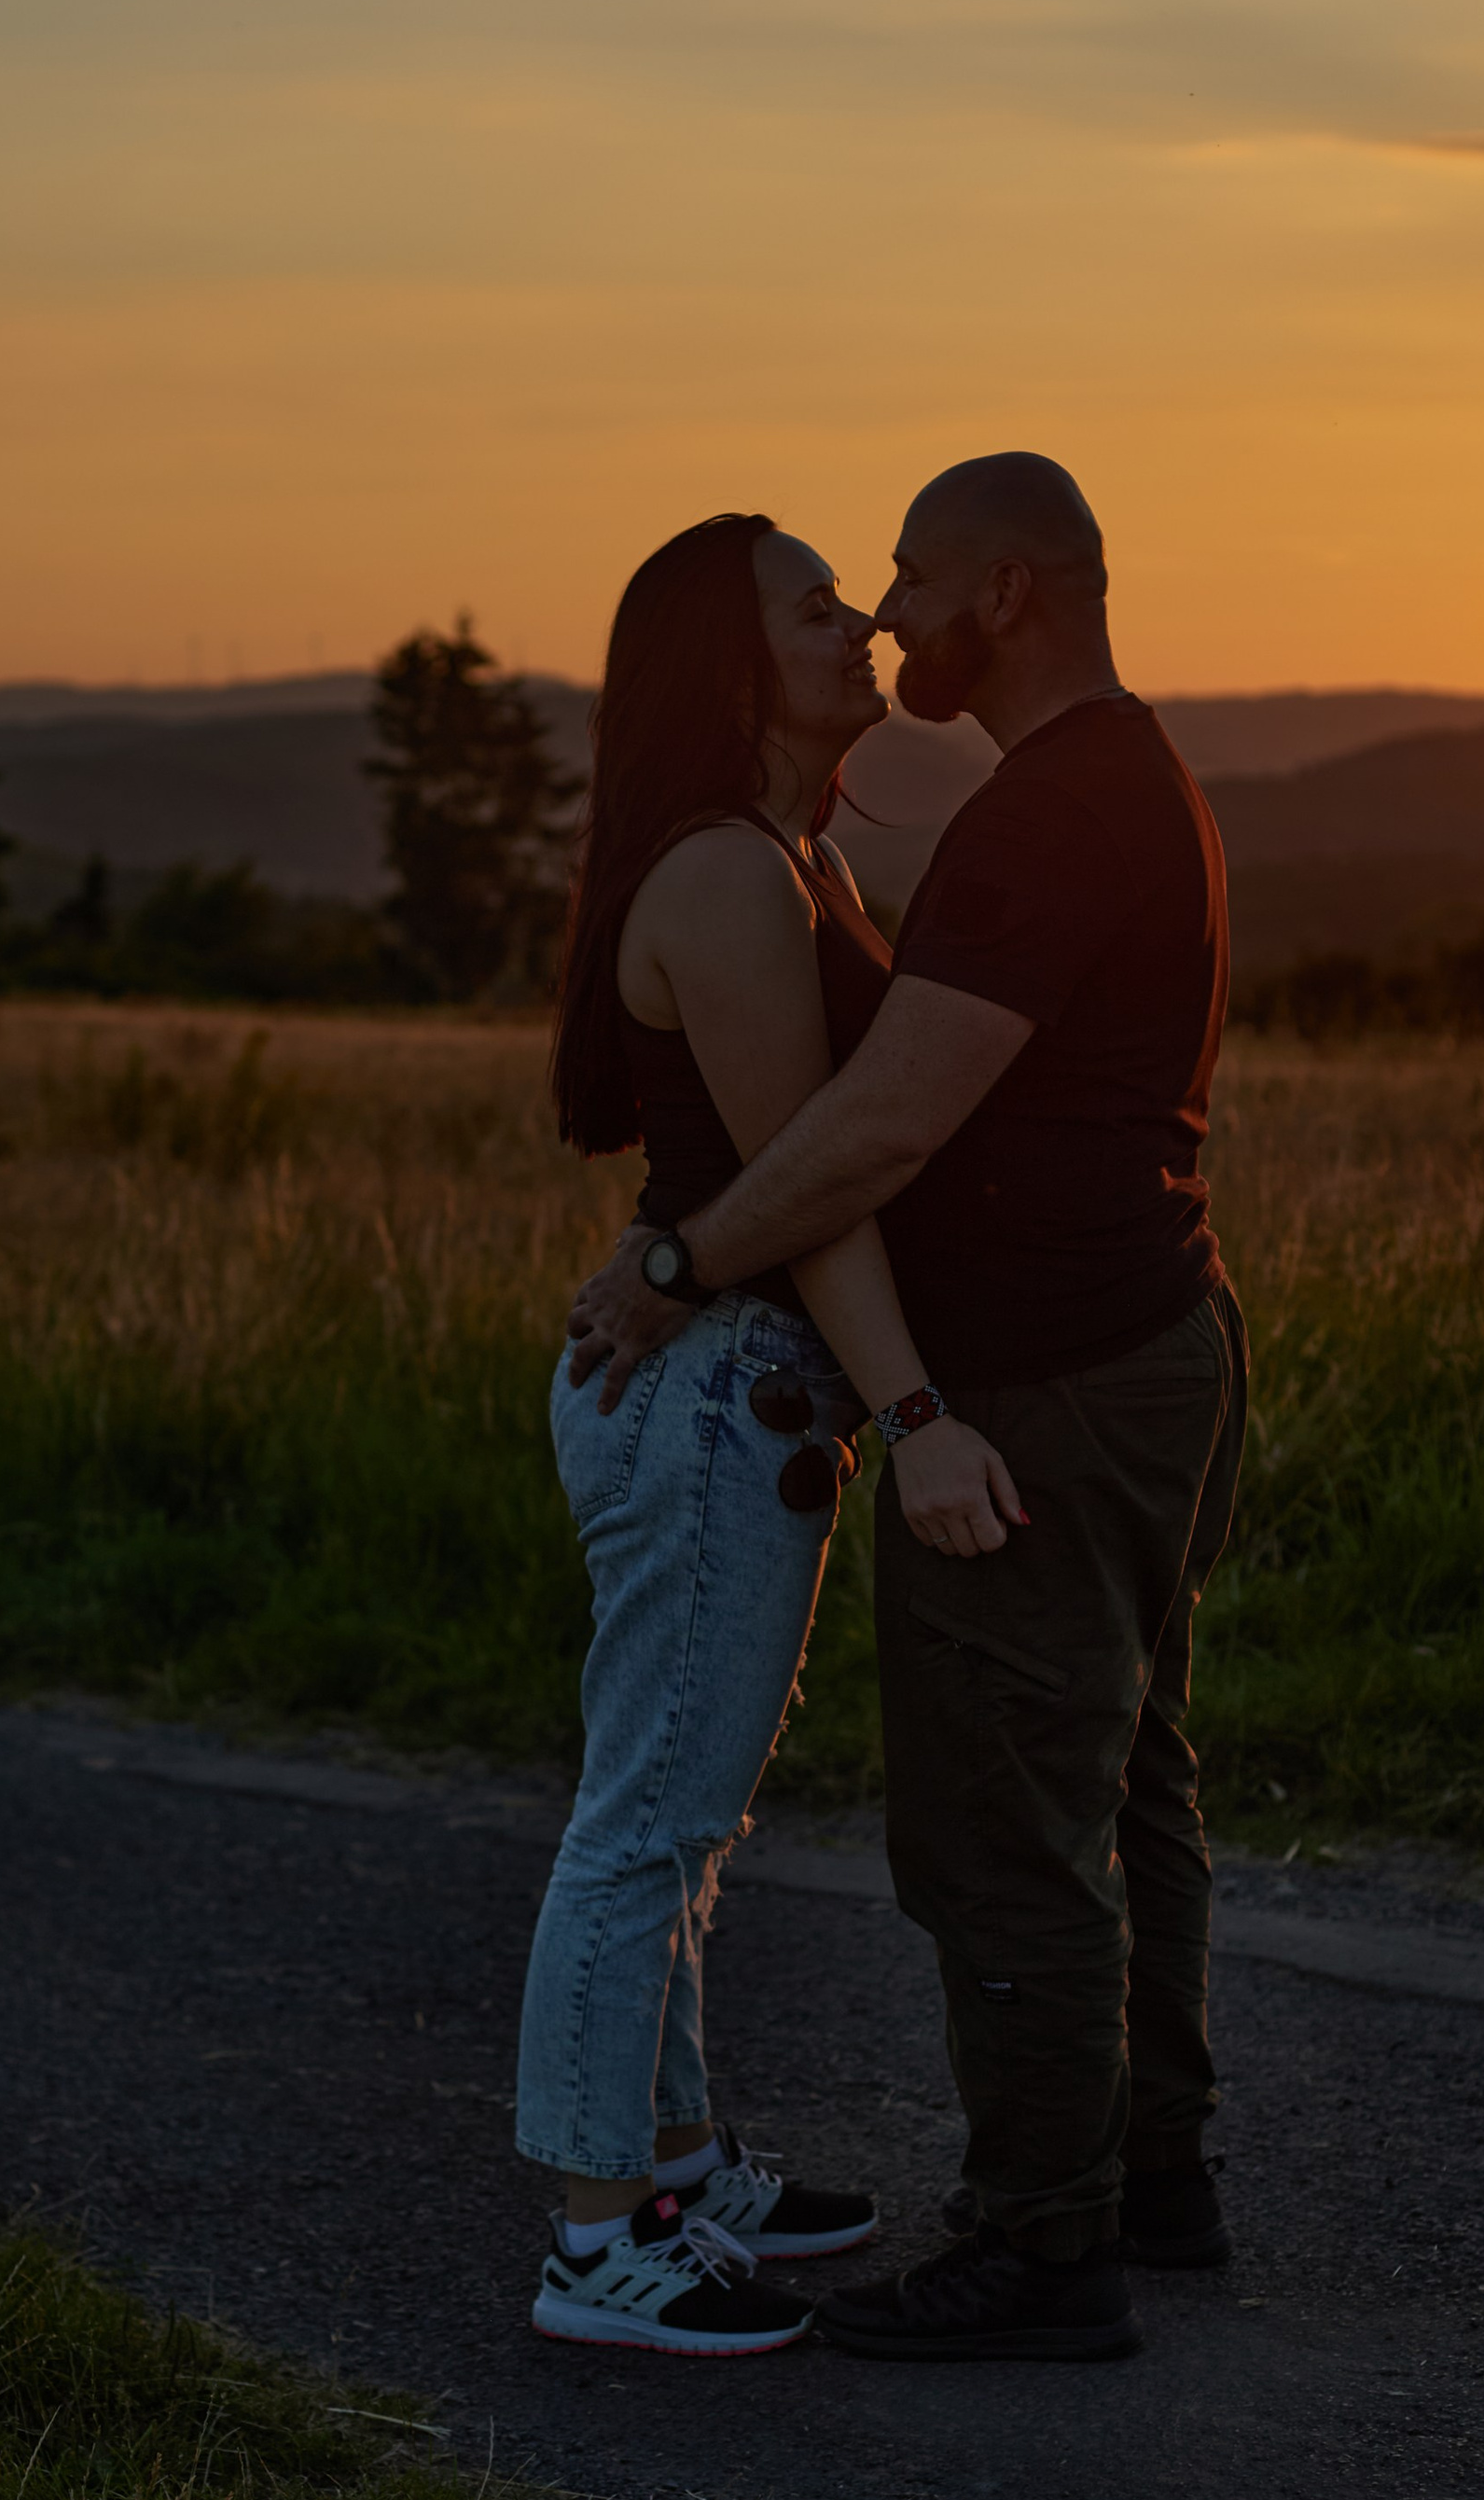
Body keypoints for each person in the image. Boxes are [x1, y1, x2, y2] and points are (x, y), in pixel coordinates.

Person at [567, 453, 1247, 2368]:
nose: (884, 608)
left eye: (910, 576)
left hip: (1049, 1382)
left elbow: (873, 1126)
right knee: (1121, 1780)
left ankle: (1043, 2246)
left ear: (1008, 592)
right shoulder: (1132, 782)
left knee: (994, 1826)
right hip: (1141, 1342)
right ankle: (1149, 2177)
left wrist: (677, 1267)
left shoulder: (1053, 813)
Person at [520, 512, 1024, 2359]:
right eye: (812, 607)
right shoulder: (729, 877)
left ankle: (666, 2159)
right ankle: (593, 2243)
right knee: (641, 1821)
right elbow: (812, 1187)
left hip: (733, 1385)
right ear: (727, 668)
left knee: (679, 1817)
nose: (858, 624)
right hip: (722, 1389)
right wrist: (913, 1407)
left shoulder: (786, 860)